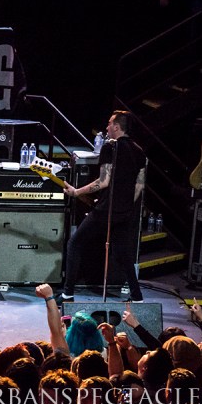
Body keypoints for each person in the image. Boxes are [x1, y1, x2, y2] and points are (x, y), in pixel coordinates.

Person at [60, 110, 147, 302]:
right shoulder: (139, 151)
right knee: (123, 253)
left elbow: (103, 181)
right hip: (125, 212)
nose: (107, 127)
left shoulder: (110, 148)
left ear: (116, 126)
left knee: (75, 243)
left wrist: (76, 192)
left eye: (109, 123)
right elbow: (139, 185)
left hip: (105, 210)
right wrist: (125, 205)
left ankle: (68, 293)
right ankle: (137, 297)